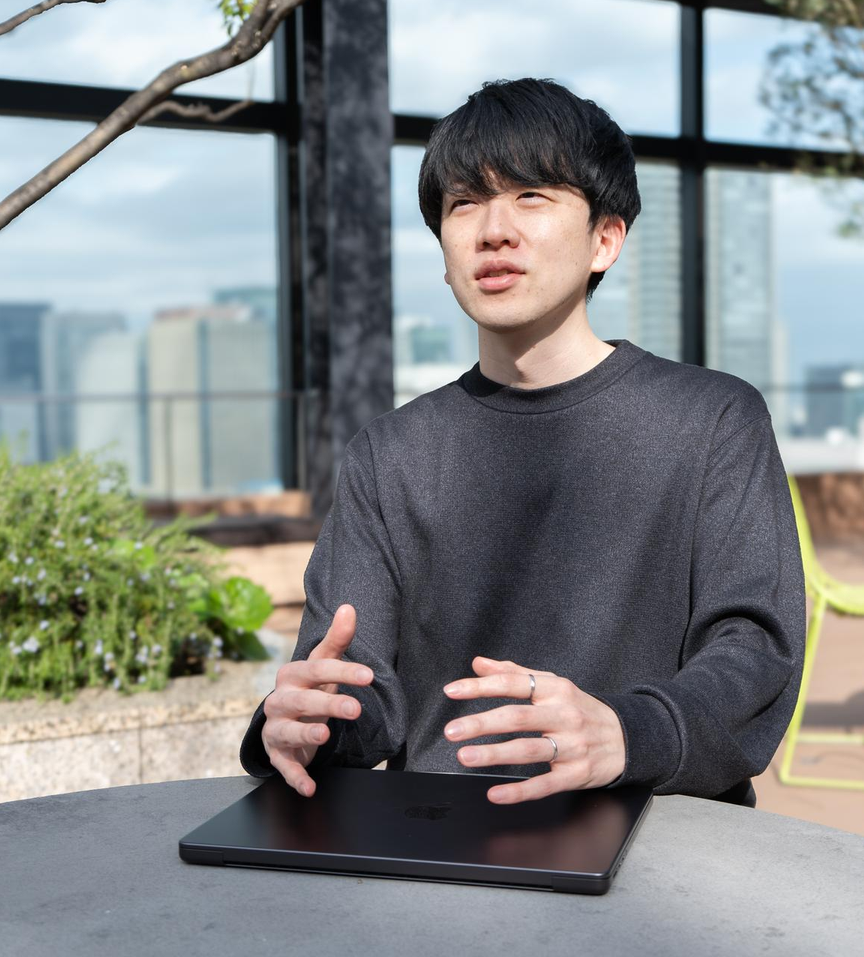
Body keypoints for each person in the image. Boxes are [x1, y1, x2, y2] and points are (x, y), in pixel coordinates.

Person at [240, 77, 805, 808]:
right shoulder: (391, 454)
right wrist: (305, 725)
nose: (493, 230)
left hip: (660, 830)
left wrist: (626, 735)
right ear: (445, 254)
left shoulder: (713, 419)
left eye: (531, 196)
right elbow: (354, 686)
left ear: (606, 240)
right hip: (443, 834)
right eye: (464, 203)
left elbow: (755, 654)